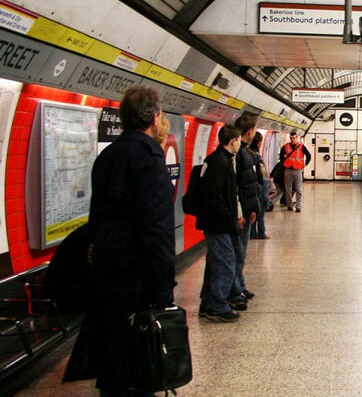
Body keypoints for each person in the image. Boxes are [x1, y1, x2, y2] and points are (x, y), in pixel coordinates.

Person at [64, 86, 176, 397]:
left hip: (106, 266)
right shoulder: (151, 159)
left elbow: (95, 214)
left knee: (112, 351)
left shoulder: (107, 156)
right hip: (136, 272)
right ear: (155, 118)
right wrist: (163, 287)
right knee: (139, 354)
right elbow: (156, 229)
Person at [195, 125, 244, 322]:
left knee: (216, 262)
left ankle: (208, 302)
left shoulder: (222, 160)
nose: (240, 144)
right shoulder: (218, 162)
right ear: (232, 141)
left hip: (219, 222)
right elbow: (214, 197)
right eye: (239, 140)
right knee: (226, 262)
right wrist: (229, 217)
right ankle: (217, 305)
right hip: (217, 223)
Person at [231, 115, 262, 305]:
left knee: (240, 252)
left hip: (245, 208)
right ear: (249, 131)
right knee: (239, 252)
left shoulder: (243, 153)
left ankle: (239, 286)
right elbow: (243, 186)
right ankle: (235, 290)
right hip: (241, 210)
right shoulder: (242, 155)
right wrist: (243, 211)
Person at [280, 130, 311, 212]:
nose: (293, 139)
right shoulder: (286, 146)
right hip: (288, 170)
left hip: (297, 170)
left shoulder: (301, 147)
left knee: (298, 189)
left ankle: (298, 206)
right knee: (287, 189)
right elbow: (281, 155)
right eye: (291, 138)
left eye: (294, 138)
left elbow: (309, 155)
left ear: (297, 138)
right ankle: (289, 205)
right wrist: (284, 163)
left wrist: (305, 164)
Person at [249, 132, 271, 239]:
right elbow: (264, 179)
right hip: (259, 190)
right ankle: (261, 234)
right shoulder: (257, 157)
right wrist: (267, 199)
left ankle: (252, 234)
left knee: (252, 213)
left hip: (250, 191)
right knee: (260, 214)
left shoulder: (247, 155)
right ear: (258, 143)